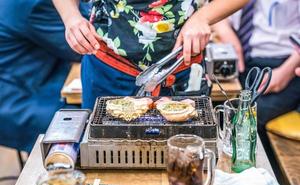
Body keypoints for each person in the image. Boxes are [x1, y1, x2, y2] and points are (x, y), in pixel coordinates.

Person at [52, 0, 249, 109]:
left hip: (181, 67)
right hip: (108, 68)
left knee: (185, 165)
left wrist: (203, 17)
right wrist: (71, 17)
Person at [213, 0, 300, 168]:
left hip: (283, 63)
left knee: (250, 117)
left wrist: (285, 71)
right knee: (219, 110)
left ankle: (258, 177)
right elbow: (214, 13)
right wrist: (228, 35)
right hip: (241, 59)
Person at [0, 0, 89, 152]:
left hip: (34, 81)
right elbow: (79, 48)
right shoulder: (35, 5)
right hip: (16, 100)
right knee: (87, 125)